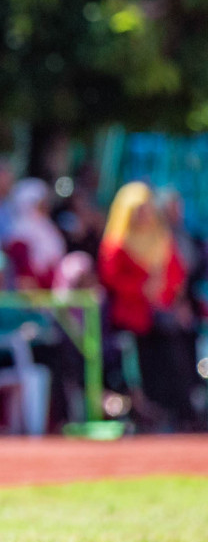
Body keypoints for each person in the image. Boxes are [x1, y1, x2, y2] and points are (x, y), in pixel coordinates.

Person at [98, 183, 201, 429]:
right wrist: (142, 288)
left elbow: (176, 273)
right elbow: (111, 277)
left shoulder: (161, 239)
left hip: (164, 315)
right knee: (139, 369)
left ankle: (179, 414)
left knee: (175, 363)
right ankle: (145, 414)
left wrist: (170, 295)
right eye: (138, 210)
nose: (143, 215)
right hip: (133, 319)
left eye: (146, 209)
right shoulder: (117, 242)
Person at [6, 179, 66, 290]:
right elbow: (23, 274)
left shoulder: (48, 228)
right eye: (41, 203)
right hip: (31, 296)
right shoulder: (20, 232)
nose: (45, 207)